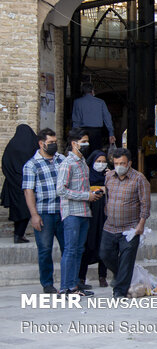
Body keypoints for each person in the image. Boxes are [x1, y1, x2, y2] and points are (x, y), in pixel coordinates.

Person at [57, 128, 102, 296]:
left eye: (87, 141)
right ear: (74, 143)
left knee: (78, 250)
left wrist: (93, 194)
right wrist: (86, 195)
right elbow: (61, 190)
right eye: (83, 141)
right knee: (70, 249)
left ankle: (74, 285)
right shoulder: (67, 163)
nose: (86, 144)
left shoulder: (83, 162)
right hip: (72, 213)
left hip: (84, 212)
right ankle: (65, 287)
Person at [100, 148, 150, 299]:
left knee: (127, 260)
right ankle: (121, 274)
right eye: (116, 163)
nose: (119, 166)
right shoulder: (109, 176)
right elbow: (107, 197)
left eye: (122, 163)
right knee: (105, 254)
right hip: (110, 226)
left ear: (129, 163)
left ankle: (119, 292)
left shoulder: (139, 179)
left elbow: (145, 203)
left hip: (130, 228)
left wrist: (141, 224)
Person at [22, 128, 66, 293]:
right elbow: (28, 191)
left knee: (68, 248)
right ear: (41, 144)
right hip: (44, 212)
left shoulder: (61, 160)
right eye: (51, 143)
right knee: (45, 249)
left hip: (63, 210)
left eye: (55, 142)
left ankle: (70, 281)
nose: (54, 145)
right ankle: (47, 283)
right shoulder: (31, 165)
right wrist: (34, 215)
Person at [77, 150, 109, 289]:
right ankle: (81, 278)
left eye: (103, 161)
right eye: (98, 161)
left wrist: (109, 178)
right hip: (89, 214)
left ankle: (102, 276)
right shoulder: (86, 175)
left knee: (103, 244)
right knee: (86, 244)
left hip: (104, 215)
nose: (101, 164)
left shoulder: (109, 176)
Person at [1, 124, 38, 243]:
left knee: (17, 210)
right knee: (28, 208)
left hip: (12, 184)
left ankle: (18, 234)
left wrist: (12, 178)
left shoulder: (11, 146)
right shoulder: (33, 145)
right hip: (28, 183)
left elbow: (5, 164)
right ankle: (19, 234)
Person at [71, 83, 115, 151]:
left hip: (83, 133)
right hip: (96, 133)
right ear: (92, 91)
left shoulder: (77, 102)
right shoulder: (100, 102)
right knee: (96, 154)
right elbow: (107, 118)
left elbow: (76, 121)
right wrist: (111, 133)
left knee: (84, 153)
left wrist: (74, 136)